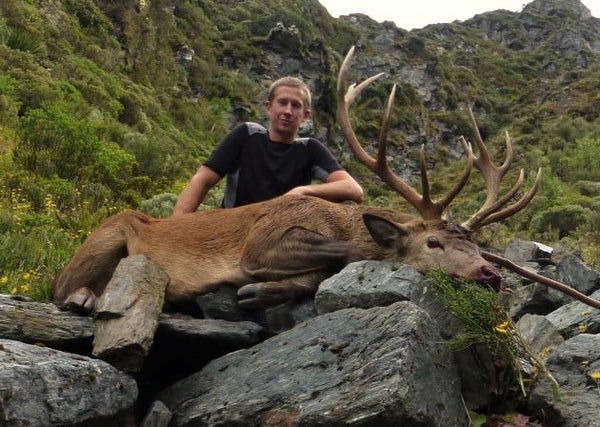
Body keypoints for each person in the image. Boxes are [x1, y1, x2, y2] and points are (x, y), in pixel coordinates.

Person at [172, 76, 364, 216]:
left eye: (296, 105)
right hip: (233, 230)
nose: (288, 111)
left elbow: (354, 190)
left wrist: (303, 191)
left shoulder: (309, 149)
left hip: (280, 235)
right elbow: (202, 179)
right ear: (269, 107)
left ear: (306, 116)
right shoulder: (246, 135)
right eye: (282, 103)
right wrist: (177, 228)